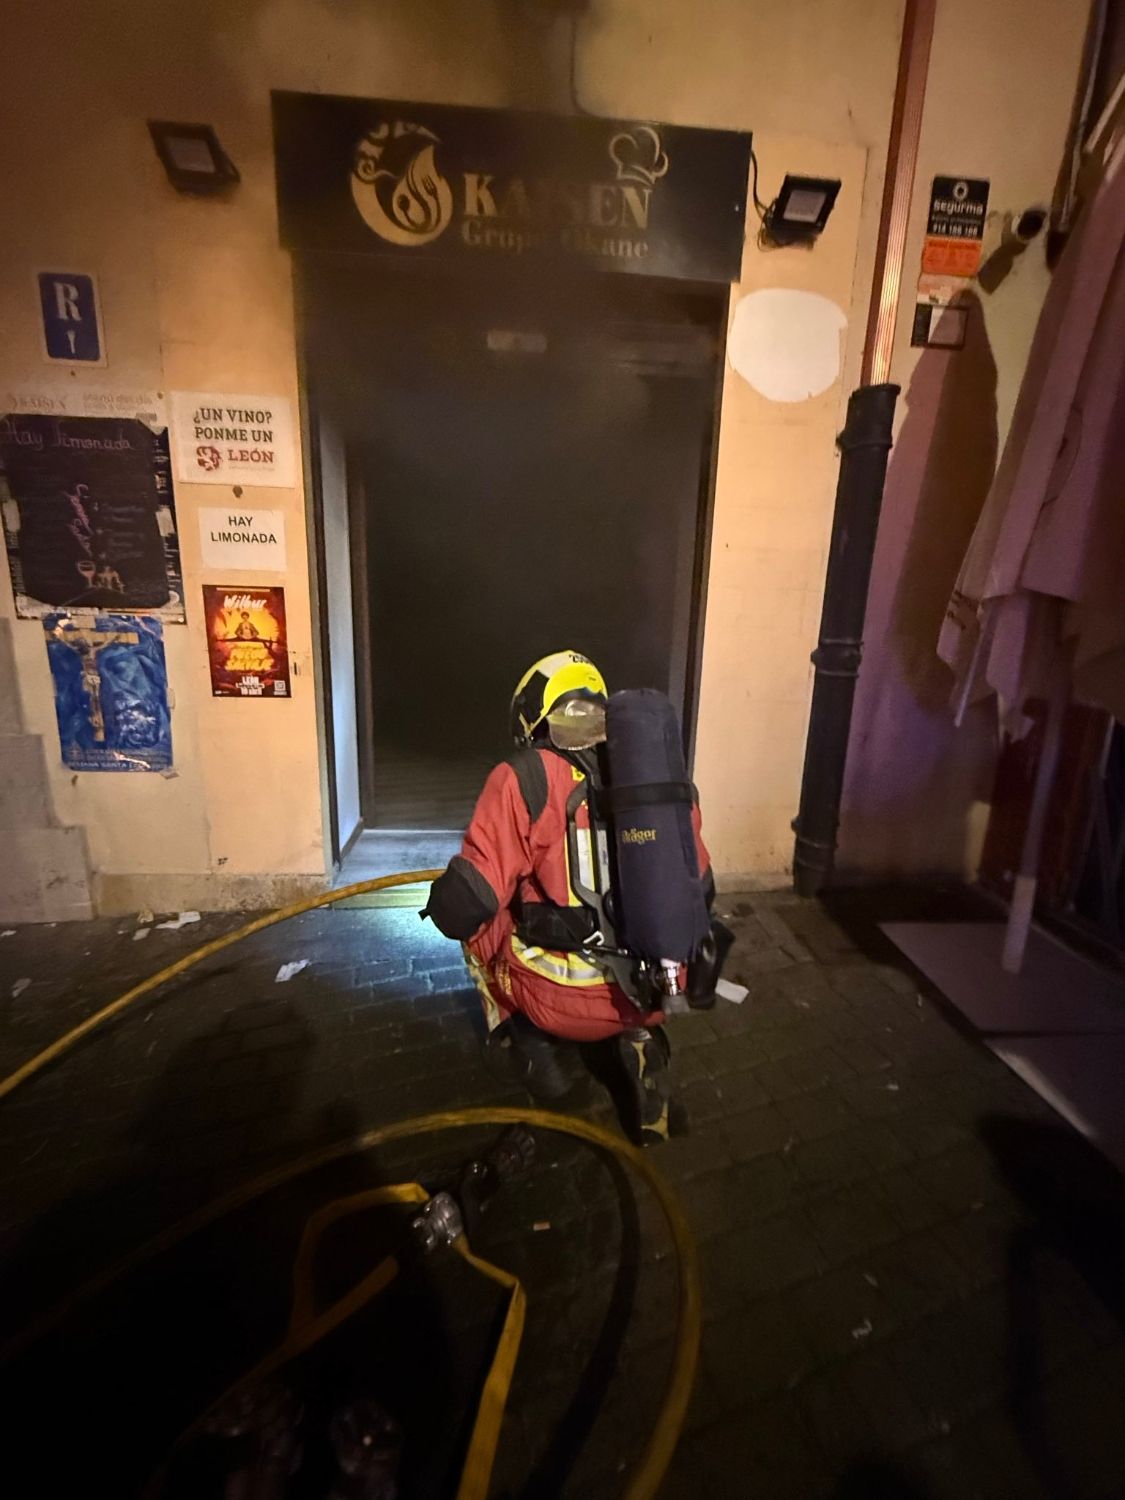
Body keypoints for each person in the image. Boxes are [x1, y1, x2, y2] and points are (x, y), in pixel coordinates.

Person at [424, 650, 714, 1144]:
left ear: (534, 712)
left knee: (481, 928)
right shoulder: (654, 777)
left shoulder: (525, 775)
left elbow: (464, 905)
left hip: (559, 996)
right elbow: (702, 888)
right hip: (659, 987)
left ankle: (533, 1051)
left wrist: (444, 894)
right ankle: (641, 1039)